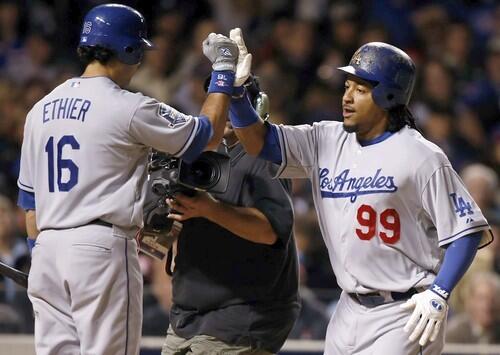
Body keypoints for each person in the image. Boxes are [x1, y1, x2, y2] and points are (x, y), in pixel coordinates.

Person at [227, 32, 494, 355]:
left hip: (404, 311)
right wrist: (238, 94)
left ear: (389, 97)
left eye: (361, 89)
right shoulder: (325, 138)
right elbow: (259, 143)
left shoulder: (421, 156)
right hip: (347, 307)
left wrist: (440, 291)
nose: (347, 97)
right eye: (347, 86)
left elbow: (466, 231)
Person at [16, 3, 240, 355]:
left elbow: (29, 205)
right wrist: (224, 69)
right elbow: (206, 135)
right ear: (129, 50)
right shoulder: (128, 106)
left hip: (47, 250)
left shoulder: (39, 109)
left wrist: (41, 256)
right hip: (99, 248)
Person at [161, 72, 299, 355]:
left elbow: (270, 230)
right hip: (188, 314)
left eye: (234, 101)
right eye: (219, 99)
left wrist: (209, 208)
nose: (224, 110)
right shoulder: (194, 154)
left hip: (242, 314)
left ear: (253, 107)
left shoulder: (264, 157)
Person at [446, 271, 500, 345]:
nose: (487, 305)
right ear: (470, 301)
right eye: (481, 298)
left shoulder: (497, 331)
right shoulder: (455, 333)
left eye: (492, 299)